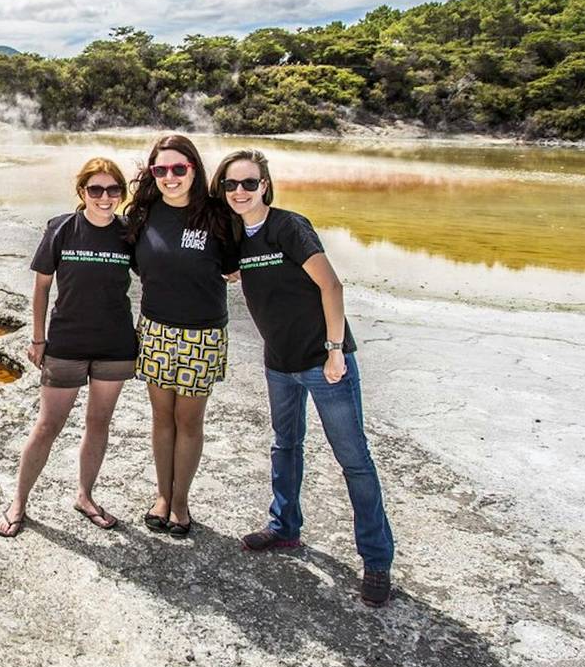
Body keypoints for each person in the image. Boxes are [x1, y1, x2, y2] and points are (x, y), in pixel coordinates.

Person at [212, 148, 396, 607]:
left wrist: (335, 352)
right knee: (285, 445)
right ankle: (284, 527)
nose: (239, 192)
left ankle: (376, 561)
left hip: (322, 362)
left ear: (265, 186)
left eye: (248, 183)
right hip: (279, 363)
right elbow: (232, 269)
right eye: (230, 185)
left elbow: (331, 285)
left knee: (353, 460)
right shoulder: (240, 236)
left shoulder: (288, 226)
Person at [0, 157, 139, 537]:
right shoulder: (61, 229)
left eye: (113, 190)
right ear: (82, 192)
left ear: (121, 194)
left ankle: (85, 496)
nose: (105, 198)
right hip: (66, 343)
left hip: (115, 345)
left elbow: (163, 269)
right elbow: (42, 287)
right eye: (96, 190)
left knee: (98, 423)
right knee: (47, 425)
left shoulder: (129, 233)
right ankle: (19, 502)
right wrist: (38, 338)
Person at [124, 134, 237, 538]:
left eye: (178, 168)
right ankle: (161, 494)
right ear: (152, 174)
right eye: (161, 170)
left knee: (188, 421)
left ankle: (181, 500)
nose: (170, 177)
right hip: (155, 330)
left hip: (202, 335)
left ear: (193, 169)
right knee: (161, 419)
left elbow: (241, 259)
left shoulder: (218, 215)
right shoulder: (143, 215)